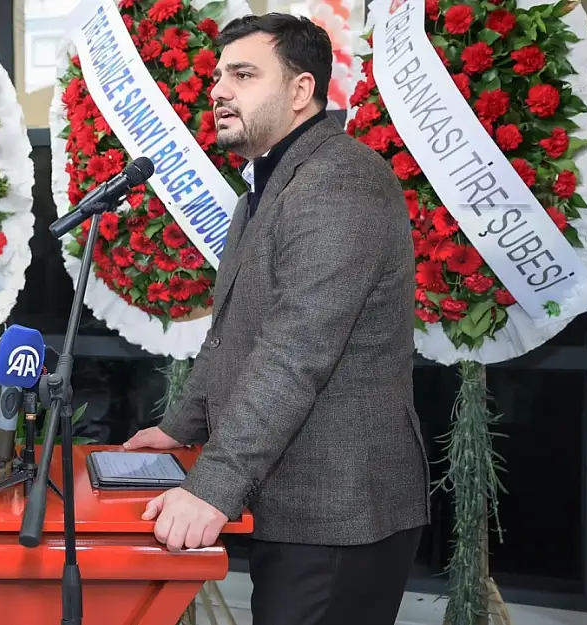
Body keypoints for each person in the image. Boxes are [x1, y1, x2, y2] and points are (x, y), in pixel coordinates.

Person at [122, 13, 430, 625]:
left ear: (300, 91)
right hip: (291, 502)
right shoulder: (261, 192)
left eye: (242, 74)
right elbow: (232, 333)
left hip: (342, 509)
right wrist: (180, 427)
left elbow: (295, 350)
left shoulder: (340, 179)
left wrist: (212, 484)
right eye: (217, 76)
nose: (218, 91)